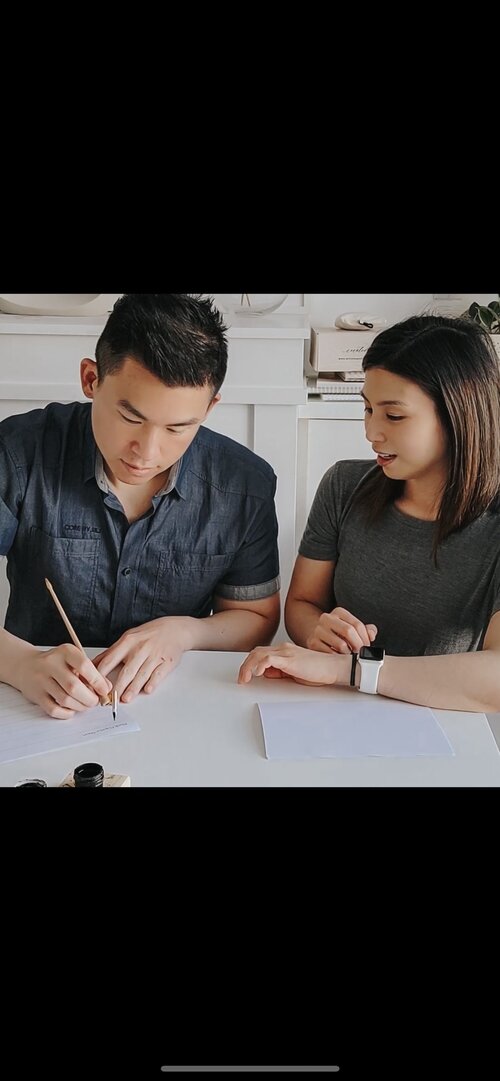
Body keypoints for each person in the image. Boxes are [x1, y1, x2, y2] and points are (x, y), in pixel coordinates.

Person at [0, 293, 280, 718]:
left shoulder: (244, 484)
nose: (147, 452)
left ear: (209, 407)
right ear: (91, 379)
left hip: (173, 706)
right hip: (31, 705)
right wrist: (20, 664)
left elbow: (255, 617)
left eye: (178, 428)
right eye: (131, 418)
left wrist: (184, 633)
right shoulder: (18, 454)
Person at [239, 314, 500, 714]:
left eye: (393, 415)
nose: (371, 432)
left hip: (439, 724)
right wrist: (318, 634)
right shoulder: (344, 485)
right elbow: (303, 604)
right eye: (367, 409)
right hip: (331, 710)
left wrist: (355, 670)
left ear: (457, 416)